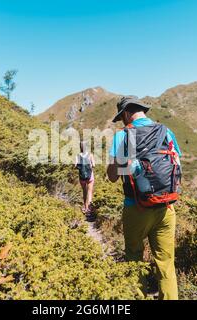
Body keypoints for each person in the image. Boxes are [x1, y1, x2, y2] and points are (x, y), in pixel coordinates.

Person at [106, 96, 182, 300]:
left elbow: (113, 177)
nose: (122, 121)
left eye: (122, 116)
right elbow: (176, 166)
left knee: (134, 258)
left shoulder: (123, 136)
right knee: (166, 263)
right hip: (166, 207)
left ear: (127, 113)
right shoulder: (166, 131)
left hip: (136, 207)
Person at [76, 141, 96, 219]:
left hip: (82, 176)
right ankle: (89, 209)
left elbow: (75, 165)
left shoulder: (78, 155)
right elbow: (93, 165)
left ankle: (85, 207)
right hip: (90, 176)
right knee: (90, 191)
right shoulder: (90, 155)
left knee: (84, 191)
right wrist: (90, 165)